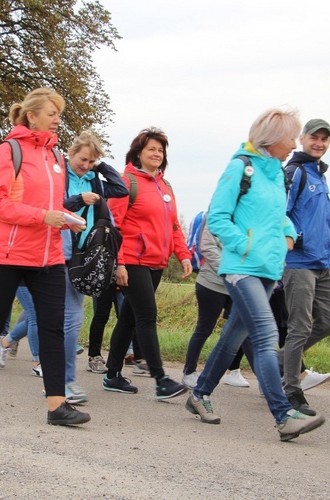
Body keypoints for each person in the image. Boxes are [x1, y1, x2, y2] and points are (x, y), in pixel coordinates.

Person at [185, 107, 325, 441]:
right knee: (264, 336)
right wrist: (245, 246)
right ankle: (283, 415)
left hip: (268, 269)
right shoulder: (240, 168)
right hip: (241, 268)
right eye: (290, 136)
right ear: (272, 137)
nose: (294, 143)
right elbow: (217, 218)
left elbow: (277, 214)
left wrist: (289, 231)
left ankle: (199, 394)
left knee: (233, 337)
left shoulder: (276, 172)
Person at [0, 87, 89, 426]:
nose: (58, 119)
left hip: (47, 255)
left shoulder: (56, 158)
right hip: (6, 253)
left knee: (52, 327)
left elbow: (52, 206)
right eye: (52, 113)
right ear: (32, 116)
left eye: (59, 113)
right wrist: (43, 216)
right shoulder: (8, 151)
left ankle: (57, 406)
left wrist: (66, 218)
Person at [102, 127, 192, 400]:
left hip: (156, 262)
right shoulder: (126, 182)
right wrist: (118, 264)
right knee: (147, 316)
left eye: (160, 150)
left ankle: (112, 375)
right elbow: (113, 225)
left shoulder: (166, 186)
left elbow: (174, 226)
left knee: (128, 319)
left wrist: (184, 255)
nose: (157, 154)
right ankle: (160, 379)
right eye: (151, 149)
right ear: (138, 153)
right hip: (131, 261)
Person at [46, 130, 128, 403]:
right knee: (71, 318)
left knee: (67, 318)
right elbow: (55, 206)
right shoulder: (59, 175)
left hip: (86, 255)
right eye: (83, 159)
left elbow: (121, 188)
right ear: (70, 154)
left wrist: (101, 165)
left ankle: (60, 379)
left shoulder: (96, 180)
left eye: (91, 161)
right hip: (60, 251)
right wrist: (80, 200)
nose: (85, 165)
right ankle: (64, 381)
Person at [280, 118, 330, 416]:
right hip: (299, 261)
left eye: (325, 139)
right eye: (314, 137)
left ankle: (277, 361)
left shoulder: (320, 174)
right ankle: (291, 390)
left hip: (323, 262)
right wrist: (297, 239)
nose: (319, 143)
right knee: (299, 327)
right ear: (302, 139)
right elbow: (281, 212)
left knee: (327, 324)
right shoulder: (295, 172)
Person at [181, 217, 250, 389]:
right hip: (212, 283)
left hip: (237, 284)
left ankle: (235, 372)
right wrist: (230, 269)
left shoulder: (247, 214)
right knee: (205, 328)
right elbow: (207, 247)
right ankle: (189, 372)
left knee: (243, 329)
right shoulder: (216, 214)